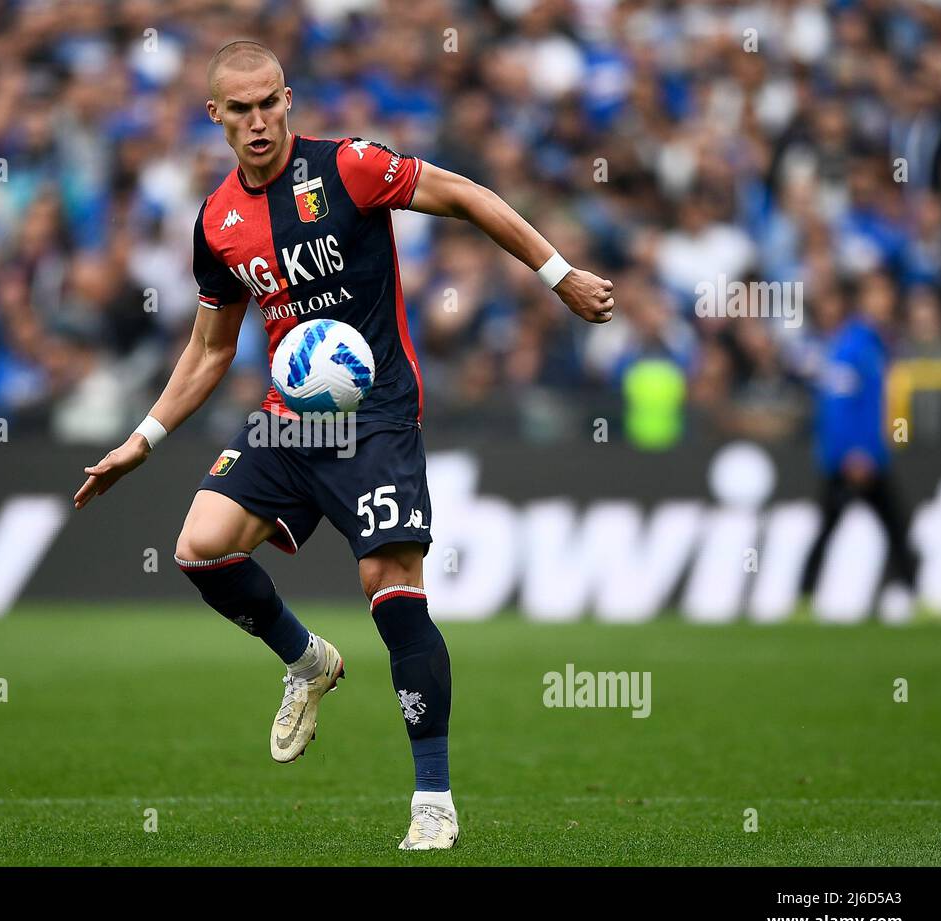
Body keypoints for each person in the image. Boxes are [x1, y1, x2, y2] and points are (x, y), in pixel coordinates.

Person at [73, 40, 613, 849]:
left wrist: (557, 273)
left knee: (389, 587)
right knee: (199, 547)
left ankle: (433, 798)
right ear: (213, 115)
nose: (258, 122)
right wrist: (141, 439)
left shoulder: (350, 167)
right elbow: (211, 349)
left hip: (378, 413)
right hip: (294, 417)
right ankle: (306, 660)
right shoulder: (216, 220)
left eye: (270, 104)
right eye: (240, 109)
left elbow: (462, 194)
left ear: (288, 100)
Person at [799, 276, 918, 613]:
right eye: (877, 294)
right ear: (862, 300)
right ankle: (804, 596)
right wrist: (854, 453)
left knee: (887, 527)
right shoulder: (854, 346)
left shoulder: (872, 343)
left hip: (867, 456)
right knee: (879, 527)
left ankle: (805, 596)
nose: (886, 300)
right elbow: (840, 409)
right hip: (856, 459)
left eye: (888, 293)